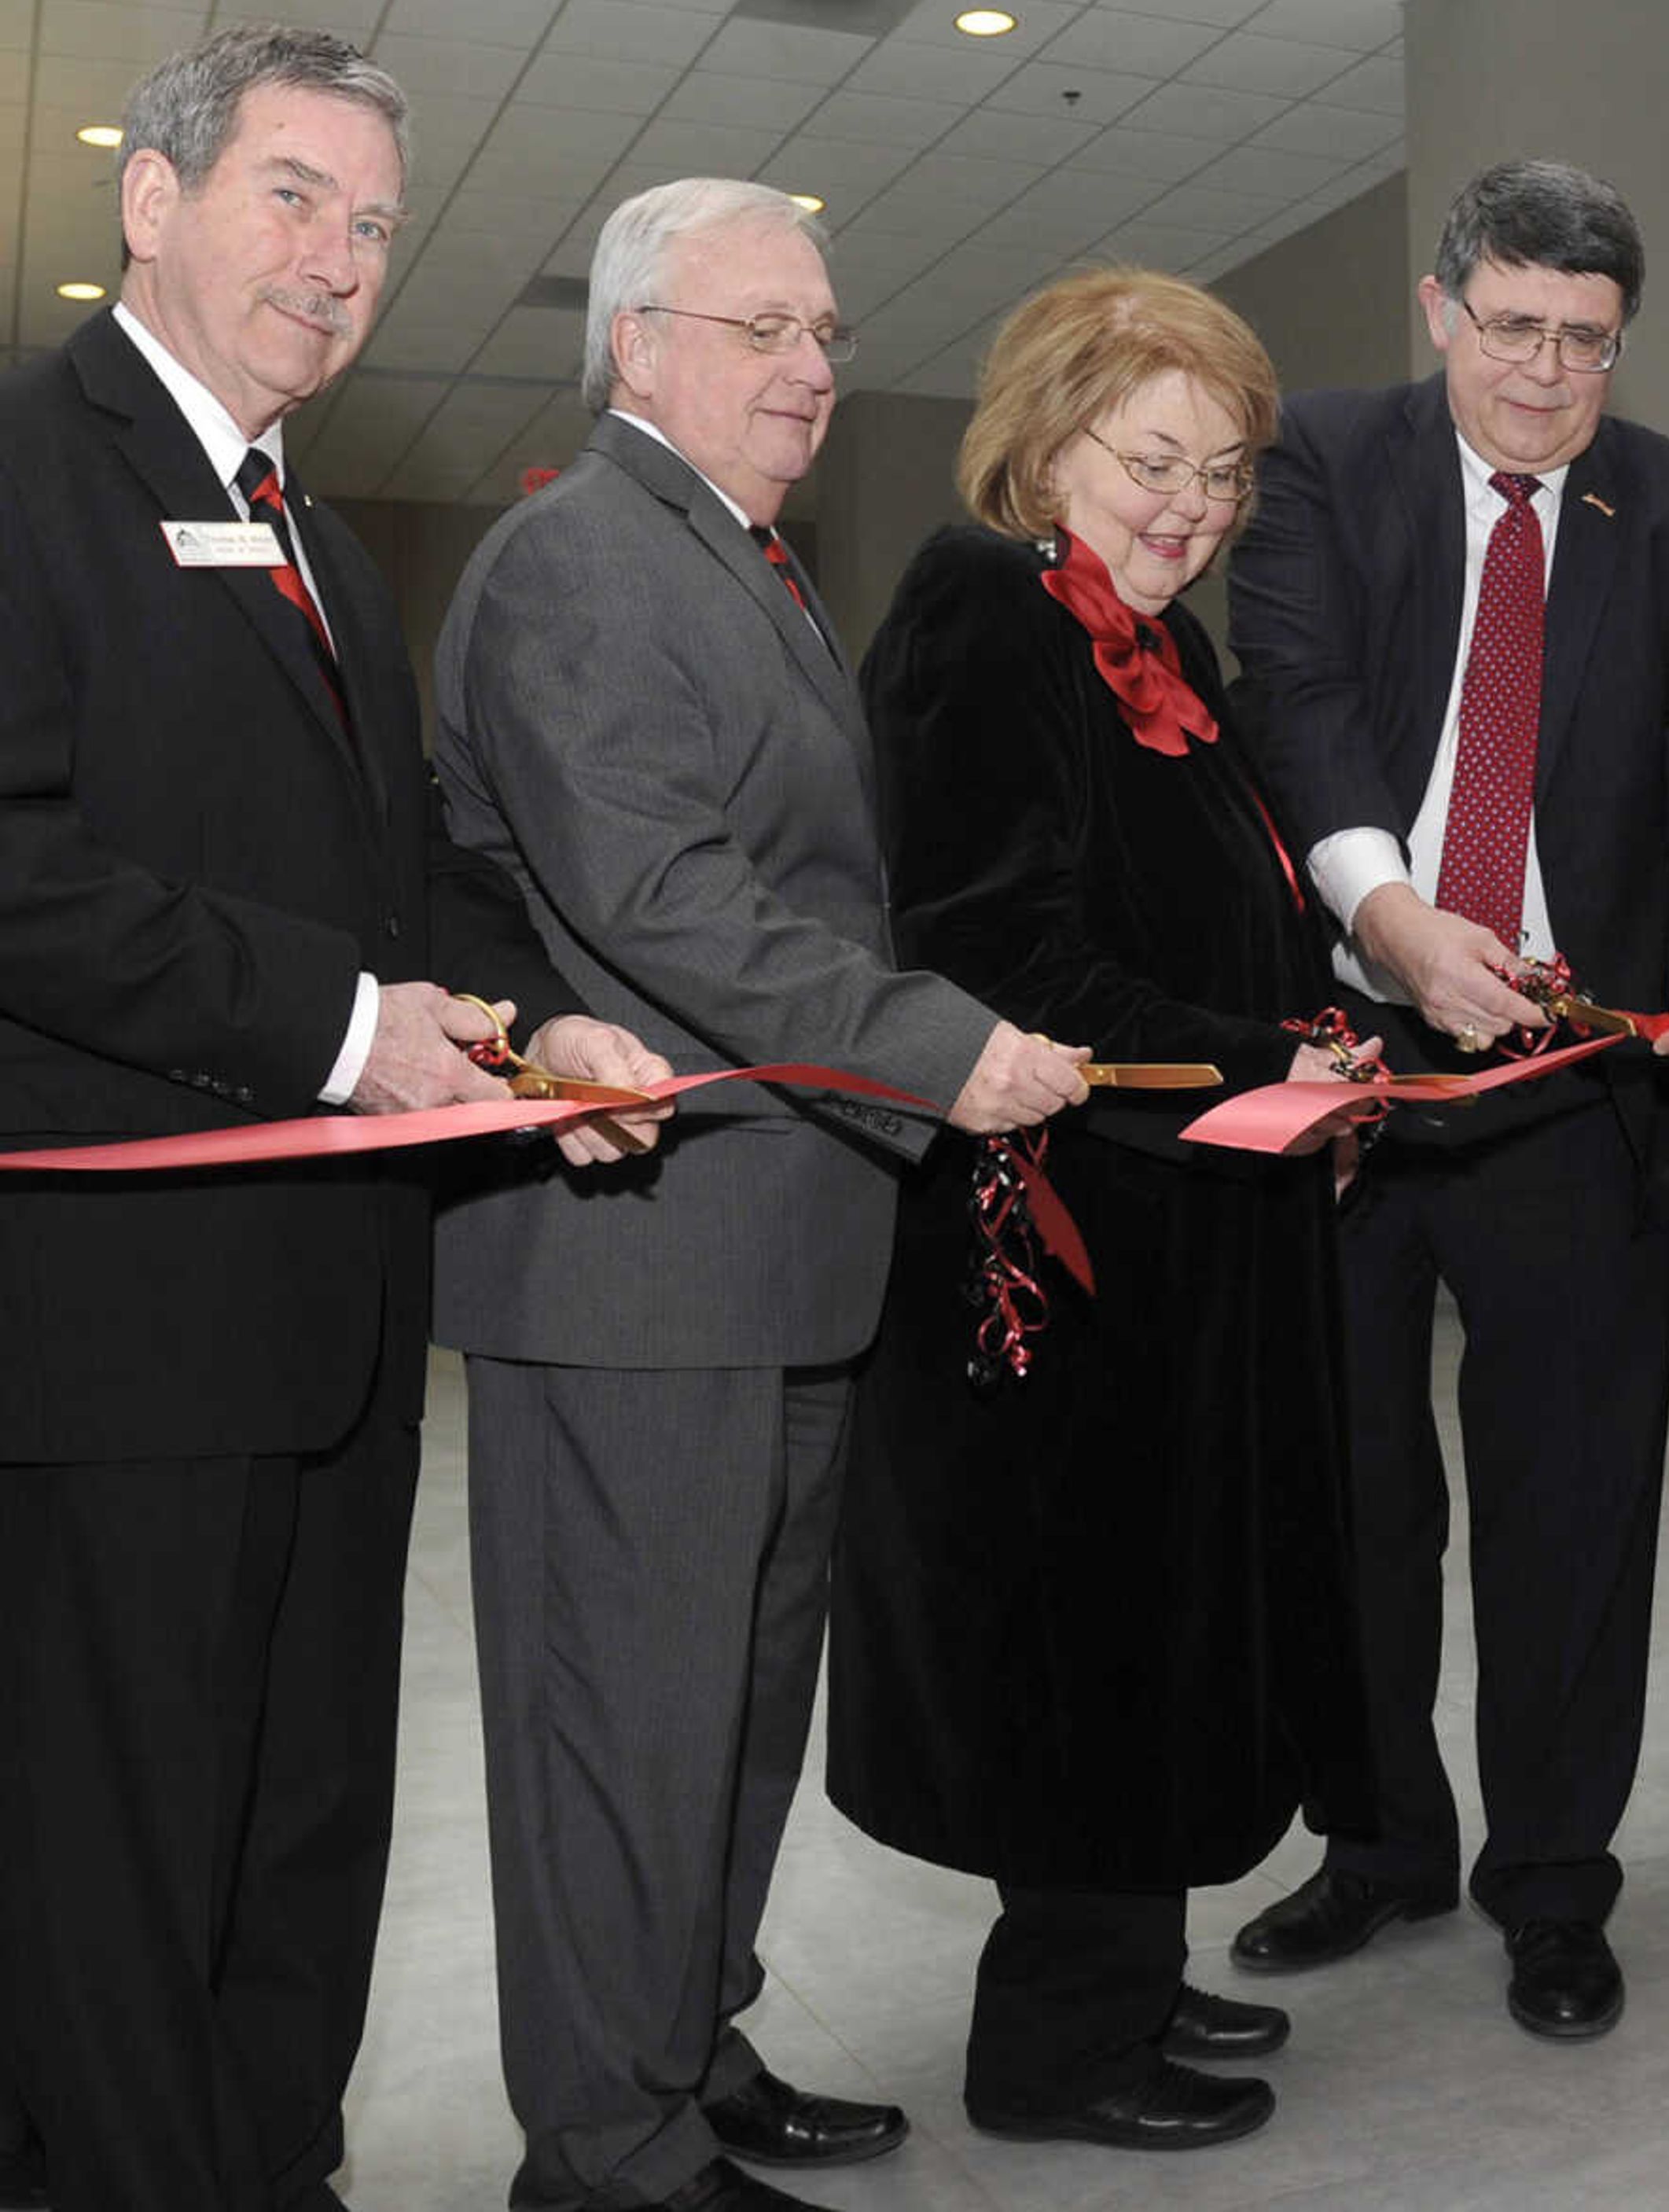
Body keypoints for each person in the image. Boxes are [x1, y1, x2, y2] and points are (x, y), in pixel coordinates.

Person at [0, 26, 664, 2210]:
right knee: (120, 1856)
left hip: (335, 1332)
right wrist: (337, 1027)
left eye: (376, 223)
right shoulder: (27, 467)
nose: (341, 257)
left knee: (301, 1832)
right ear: (151, 200)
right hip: (117, 1338)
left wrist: (536, 1024)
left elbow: (405, 890)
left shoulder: (322, 543)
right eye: (294, 195)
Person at [431, 179, 1089, 2212]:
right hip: (635, 1260)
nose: (815, 367)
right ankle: (606, 2150)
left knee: (726, 1710)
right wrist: (928, 1041)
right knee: (623, 1719)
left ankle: (680, 2047)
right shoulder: (577, 561)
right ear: (640, 346)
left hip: (774, 1252)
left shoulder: (740, 563)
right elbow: (659, 900)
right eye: (764, 330)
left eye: (825, 330)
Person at [1222, 158, 1669, 2040]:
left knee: (1569, 1503)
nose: (1550, 376)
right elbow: (1290, 691)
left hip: (1574, 1069)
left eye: (1590, 343)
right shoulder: (1322, 456)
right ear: (1439, 305)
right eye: (1518, 329)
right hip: (1361, 1055)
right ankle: (1380, 1836)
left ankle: (1556, 1876)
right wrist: (1388, 910)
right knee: (1364, 1492)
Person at [825, 268, 1370, 2154]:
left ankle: (1129, 1961)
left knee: (1168, 1617)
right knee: (1086, 1635)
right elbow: (997, 949)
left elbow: (1222, 918)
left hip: (1182, 1231)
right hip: (1053, 1242)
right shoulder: (987, 609)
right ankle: (1055, 2042)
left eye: (1221, 474)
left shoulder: (1166, 649)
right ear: (1046, 441)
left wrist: (1314, 1034)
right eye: (1155, 459)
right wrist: (1256, 1055)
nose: (1192, 507)